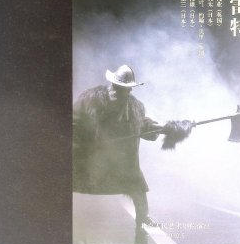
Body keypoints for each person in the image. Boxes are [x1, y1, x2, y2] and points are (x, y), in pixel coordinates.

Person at [73, 64, 192, 228]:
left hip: (122, 160)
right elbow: (73, 122)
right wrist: (84, 142)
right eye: (120, 88)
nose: (124, 92)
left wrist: (168, 128)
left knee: (137, 185)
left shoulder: (135, 106)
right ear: (113, 85)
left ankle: (143, 216)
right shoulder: (90, 100)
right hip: (94, 157)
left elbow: (144, 125)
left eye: (127, 89)